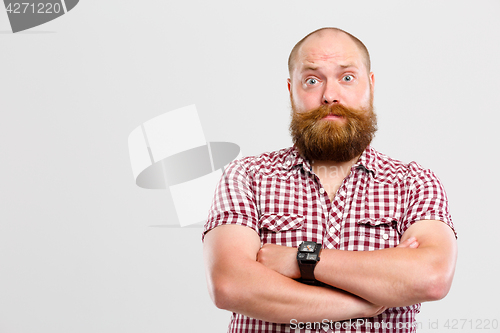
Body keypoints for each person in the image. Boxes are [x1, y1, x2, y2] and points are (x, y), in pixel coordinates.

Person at [202, 27, 457, 333]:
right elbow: (231, 284)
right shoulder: (246, 176)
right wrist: (365, 303)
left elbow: (431, 277)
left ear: (371, 86)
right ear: (290, 90)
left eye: (347, 77)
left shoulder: (413, 183)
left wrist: (300, 259)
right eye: (312, 80)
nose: (330, 95)